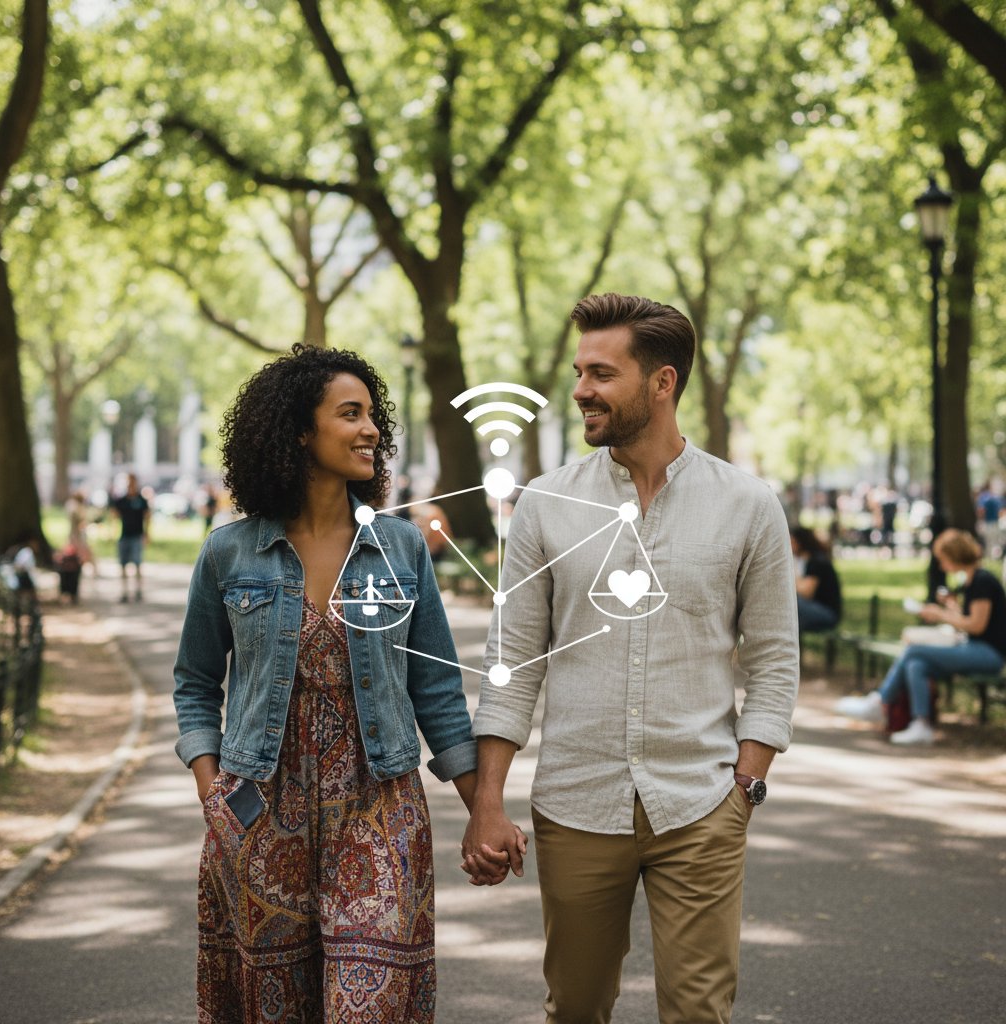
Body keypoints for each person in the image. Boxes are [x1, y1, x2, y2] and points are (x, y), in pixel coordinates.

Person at [461, 293, 799, 1024]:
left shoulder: (747, 504)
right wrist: (487, 802)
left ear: (662, 383)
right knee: (577, 1009)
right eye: (580, 372)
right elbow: (511, 660)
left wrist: (746, 787)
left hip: (702, 804)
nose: (581, 389)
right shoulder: (546, 505)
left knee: (699, 1013)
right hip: (577, 803)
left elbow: (774, 659)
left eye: (601, 373)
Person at [173, 344, 486, 1022]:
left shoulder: (400, 548)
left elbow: (436, 688)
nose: (372, 429)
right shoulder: (229, 551)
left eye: (373, 415)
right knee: (273, 1005)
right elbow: (195, 682)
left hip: (379, 808)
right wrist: (212, 790)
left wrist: (482, 805)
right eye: (351, 414)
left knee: (365, 1006)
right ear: (298, 431)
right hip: (260, 812)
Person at [836, 528, 1006, 745]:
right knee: (917, 664)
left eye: (943, 560)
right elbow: (968, 621)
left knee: (914, 649)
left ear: (954, 556)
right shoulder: (970, 582)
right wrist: (949, 609)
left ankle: (880, 702)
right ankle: (921, 724)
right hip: (974, 648)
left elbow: (977, 625)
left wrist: (941, 615)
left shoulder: (983, 581)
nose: (941, 565)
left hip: (988, 654)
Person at [790, 525, 842, 633]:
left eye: (792, 541)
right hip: (816, 608)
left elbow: (806, 592)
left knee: (792, 603)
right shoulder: (806, 560)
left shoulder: (816, 561)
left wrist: (789, 577)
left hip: (827, 613)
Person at [112, 473, 149, 602]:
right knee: (123, 565)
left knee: (137, 564)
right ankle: (124, 592)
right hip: (124, 535)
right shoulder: (122, 500)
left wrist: (147, 533)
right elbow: (114, 513)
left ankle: (138, 591)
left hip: (137, 536)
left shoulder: (141, 500)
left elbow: (147, 516)